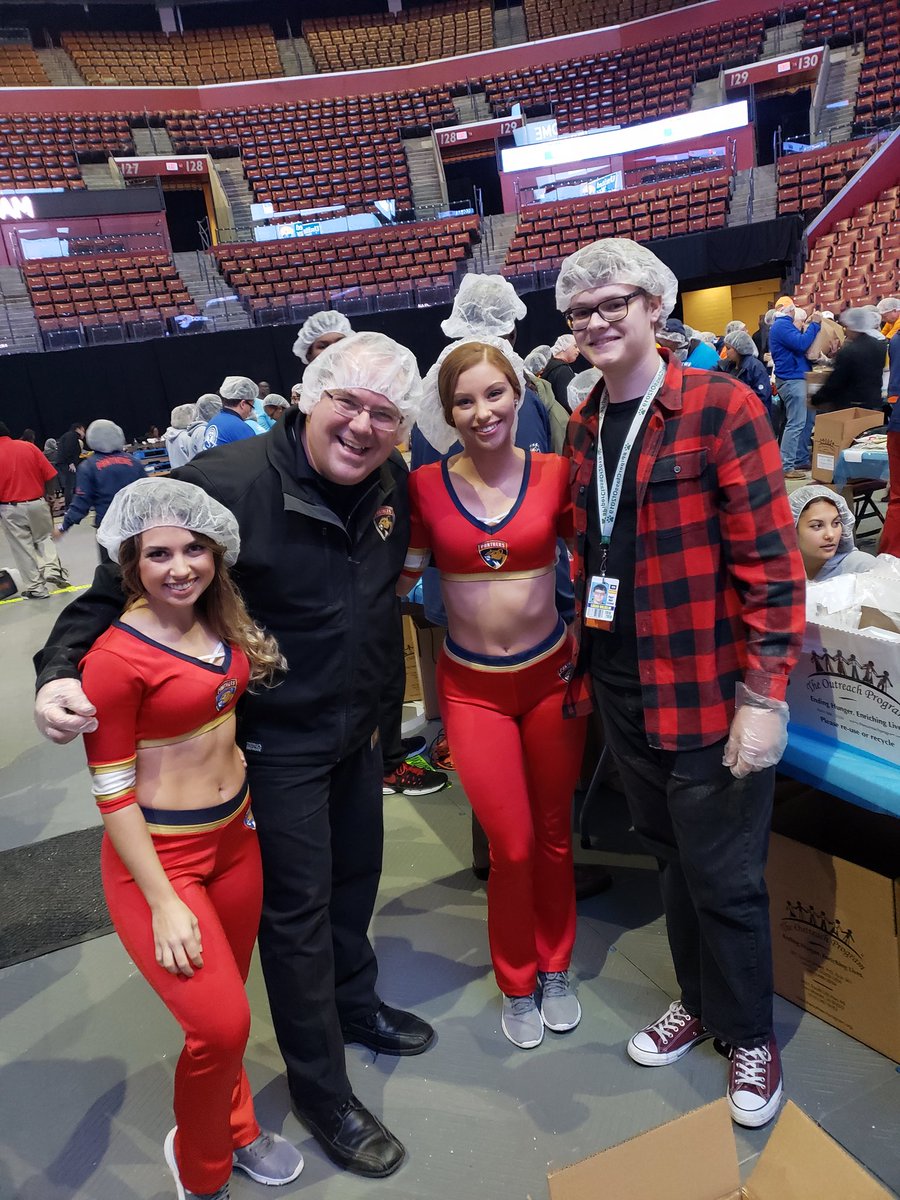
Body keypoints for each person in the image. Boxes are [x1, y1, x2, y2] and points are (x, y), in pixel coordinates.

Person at [34, 332, 433, 1181]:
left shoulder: (389, 479)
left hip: (361, 728)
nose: (362, 426)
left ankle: (353, 1003)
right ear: (307, 394)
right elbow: (111, 594)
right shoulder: (222, 485)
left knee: (355, 882)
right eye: (348, 403)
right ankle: (323, 1090)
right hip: (276, 743)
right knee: (296, 918)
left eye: (384, 414)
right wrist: (58, 671)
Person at [556, 237, 805, 1128]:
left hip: (707, 687)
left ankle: (750, 1039)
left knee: (727, 876)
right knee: (669, 857)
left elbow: (774, 568)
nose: (595, 320)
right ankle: (700, 1002)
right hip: (622, 684)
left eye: (611, 302)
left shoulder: (720, 404)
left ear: (655, 305)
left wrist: (765, 696)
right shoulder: (587, 416)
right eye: (579, 310)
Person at [80, 478, 303, 1200]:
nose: (181, 567)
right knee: (221, 1025)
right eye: (160, 554)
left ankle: (237, 1126)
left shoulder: (221, 619)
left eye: (195, 549)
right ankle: (202, 1167)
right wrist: (164, 901)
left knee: (228, 1009)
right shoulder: (113, 660)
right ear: (131, 563)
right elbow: (112, 792)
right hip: (161, 861)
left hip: (238, 839)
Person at [402, 336, 587, 1050]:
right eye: (465, 400)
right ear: (446, 411)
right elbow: (399, 575)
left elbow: (594, 562)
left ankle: (557, 964)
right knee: (510, 847)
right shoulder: (424, 486)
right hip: (473, 691)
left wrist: (593, 645)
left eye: (494, 393)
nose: (483, 411)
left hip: (552, 680)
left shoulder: (556, 473)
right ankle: (517, 979)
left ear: (519, 393)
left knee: (552, 836)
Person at [54, 420, 146, 561]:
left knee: (111, 572)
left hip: (108, 528)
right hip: (136, 526)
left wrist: (63, 526)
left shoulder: (88, 466)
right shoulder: (134, 463)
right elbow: (148, 494)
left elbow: (81, 503)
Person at [0, 421, 69, 598]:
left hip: (10, 507)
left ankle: (37, 588)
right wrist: (51, 496)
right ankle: (53, 570)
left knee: (22, 547)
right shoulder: (28, 447)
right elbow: (51, 474)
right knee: (45, 537)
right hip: (38, 502)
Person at [768, 296, 822, 478]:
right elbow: (801, 344)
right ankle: (786, 466)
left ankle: (798, 459)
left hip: (797, 377)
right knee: (796, 423)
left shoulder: (781, 326)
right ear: (790, 310)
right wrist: (815, 325)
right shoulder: (782, 326)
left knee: (805, 421)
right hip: (792, 379)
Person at [809, 307, 886, 414]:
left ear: (853, 327)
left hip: (853, 405)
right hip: (874, 401)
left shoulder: (849, 351)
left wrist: (817, 398)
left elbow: (836, 381)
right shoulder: (879, 346)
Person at [790, 485, 876, 581]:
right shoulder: (780, 571)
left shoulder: (863, 568)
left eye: (836, 523)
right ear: (792, 529)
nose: (830, 535)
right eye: (817, 526)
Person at [720, 329, 773, 414]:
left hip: (754, 415)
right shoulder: (728, 366)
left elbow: (761, 395)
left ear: (739, 348)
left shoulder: (755, 367)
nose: (726, 352)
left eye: (728, 348)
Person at [203, 379, 257, 450]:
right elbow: (255, 457)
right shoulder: (241, 428)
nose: (250, 411)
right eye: (251, 406)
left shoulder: (212, 422)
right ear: (243, 404)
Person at [541, 334, 580, 413]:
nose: (578, 350)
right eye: (575, 346)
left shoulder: (550, 366)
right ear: (564, 347)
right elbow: (567, 402)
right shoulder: (562, 371)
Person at [55, 421, 86, 507]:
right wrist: (71, 462)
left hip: (64, 463)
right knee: (70, 486)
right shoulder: (72, 436)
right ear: (78, 429)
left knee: (71, 485)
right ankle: (70, 507)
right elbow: (69, 450)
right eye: (83, 430)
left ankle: (73, 505)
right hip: (67, 464)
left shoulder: (67, 436)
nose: (84, 433)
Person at [188, 395, 222, 461]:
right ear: (206, 410)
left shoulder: (203, 429)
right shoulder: (203, 431)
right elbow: (207, 458)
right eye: (216, 408)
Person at [164, 404, 197, 470]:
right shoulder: (187, 437)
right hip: (190, 474)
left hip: (176, 473)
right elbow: (195, 459)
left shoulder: (168, 436)